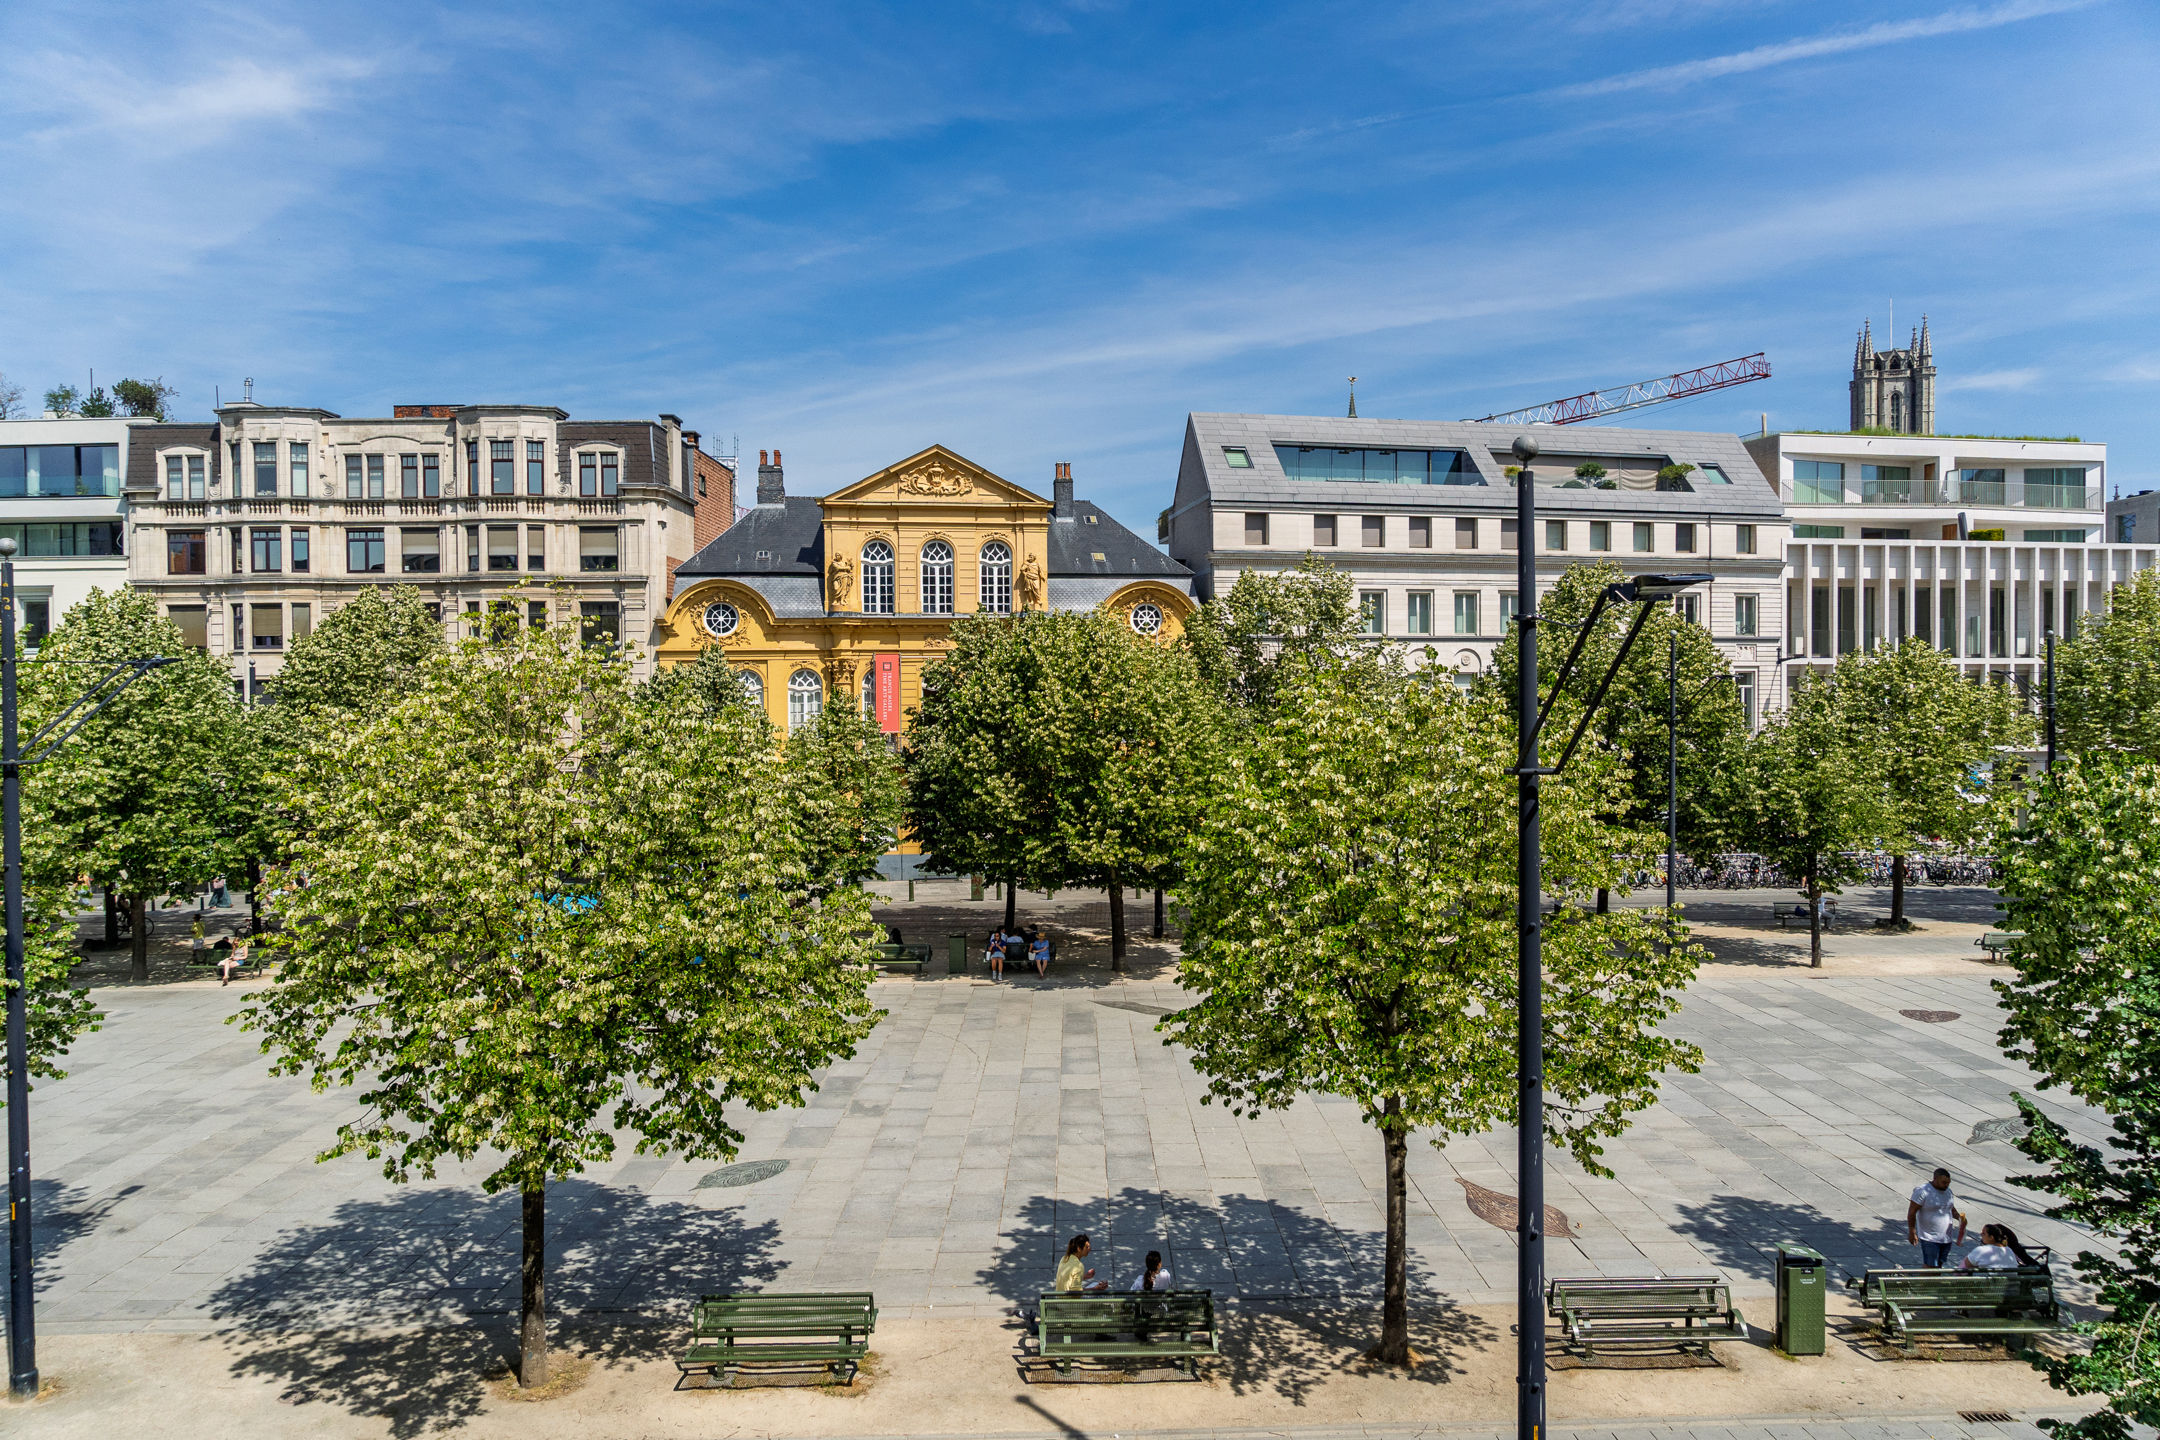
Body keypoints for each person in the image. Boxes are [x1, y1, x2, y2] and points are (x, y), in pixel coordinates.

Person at [1908, 1167, 1968, 1267]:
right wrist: (1912, 1232)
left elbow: (1951, 1209)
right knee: (1930, 1266)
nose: (1946, 1185)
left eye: (1948, 1183)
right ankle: (1922, 1282)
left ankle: (1931, 1282)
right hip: (1929, 1237)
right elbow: (1912, 1212)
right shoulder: (1922, 1191)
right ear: (1935, 1178)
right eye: (1944, 1182)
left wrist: (1959, 1218)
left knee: (1939, 1266)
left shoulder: (1948, 1192)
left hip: (1946, 1238)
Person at [1962, 1223, 2040, 1270]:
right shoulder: (2009, 1250)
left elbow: (1967, 1265)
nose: (1981, 1234)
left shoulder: (1980, 1250)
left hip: (1988, 1291)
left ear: (1991, 1237)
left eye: (1984, 1233)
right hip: (2011, 1290)